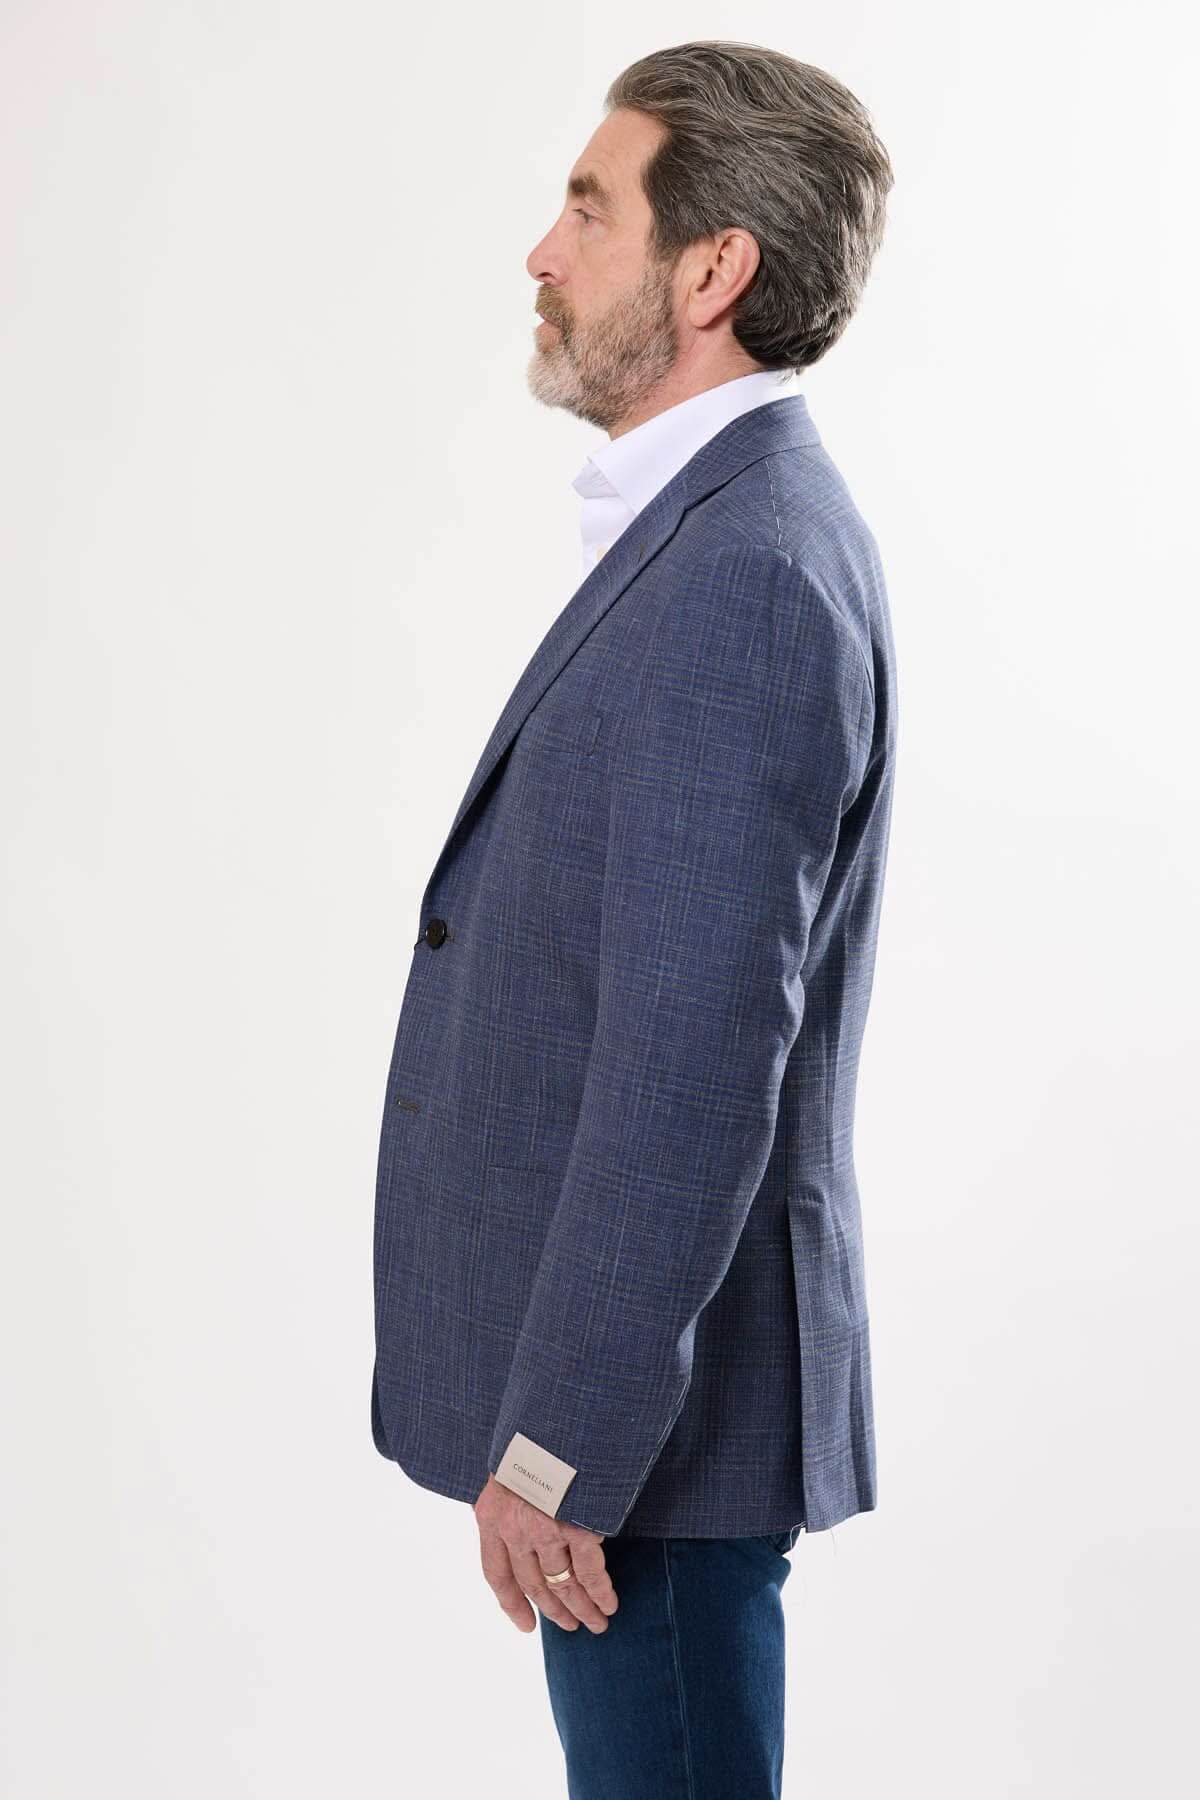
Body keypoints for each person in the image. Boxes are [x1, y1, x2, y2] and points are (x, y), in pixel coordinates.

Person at [371, 39, 896, 1799]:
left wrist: (559, 1448)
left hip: (652, 1447)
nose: (543, 252)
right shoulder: (723, 534)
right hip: (643, 1424)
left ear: (711, 269)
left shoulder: (747, 573)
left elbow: (691, 1068)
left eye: (590, 210)